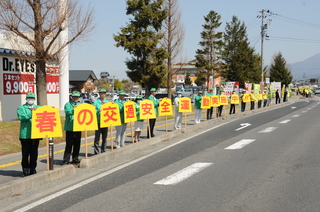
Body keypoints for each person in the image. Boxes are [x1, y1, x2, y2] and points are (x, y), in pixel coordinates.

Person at [17, 92, 41, 177]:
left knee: (34, 153)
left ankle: (33, 169)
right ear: (26, 99)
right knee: (25, 153)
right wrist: (32, 113)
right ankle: (25, 170)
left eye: (32, 98)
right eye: (28, 98)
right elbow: (22, 117)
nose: (30, 99)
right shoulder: (21, 108)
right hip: (25, 135)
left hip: (35, 134)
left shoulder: (38, 108)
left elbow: (46, 112)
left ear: (34, 99)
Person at [63, 91, 82, 164]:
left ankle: (75, 158)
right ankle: (66, 160)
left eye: (77, 97)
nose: (75, 98)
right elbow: (68, 111)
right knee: (69, 144)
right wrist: (75, 109)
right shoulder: (68, 104)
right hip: (70, 127)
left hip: (78, 126)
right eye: (74, 97)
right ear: (72, 97)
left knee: (77, 144)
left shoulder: (80, 105)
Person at [93, 88, 109, 154]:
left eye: (104, 93)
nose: (102, 95)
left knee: (104, 137)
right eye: (101, 93)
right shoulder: (95, 102)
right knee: (97, 137)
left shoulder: (107, 102)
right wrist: (98, 110)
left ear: (105, 95)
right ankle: (96, 151)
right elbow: (93, 111)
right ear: (99, 94)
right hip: (98, 121)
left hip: (105, 121)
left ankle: (103, 150)